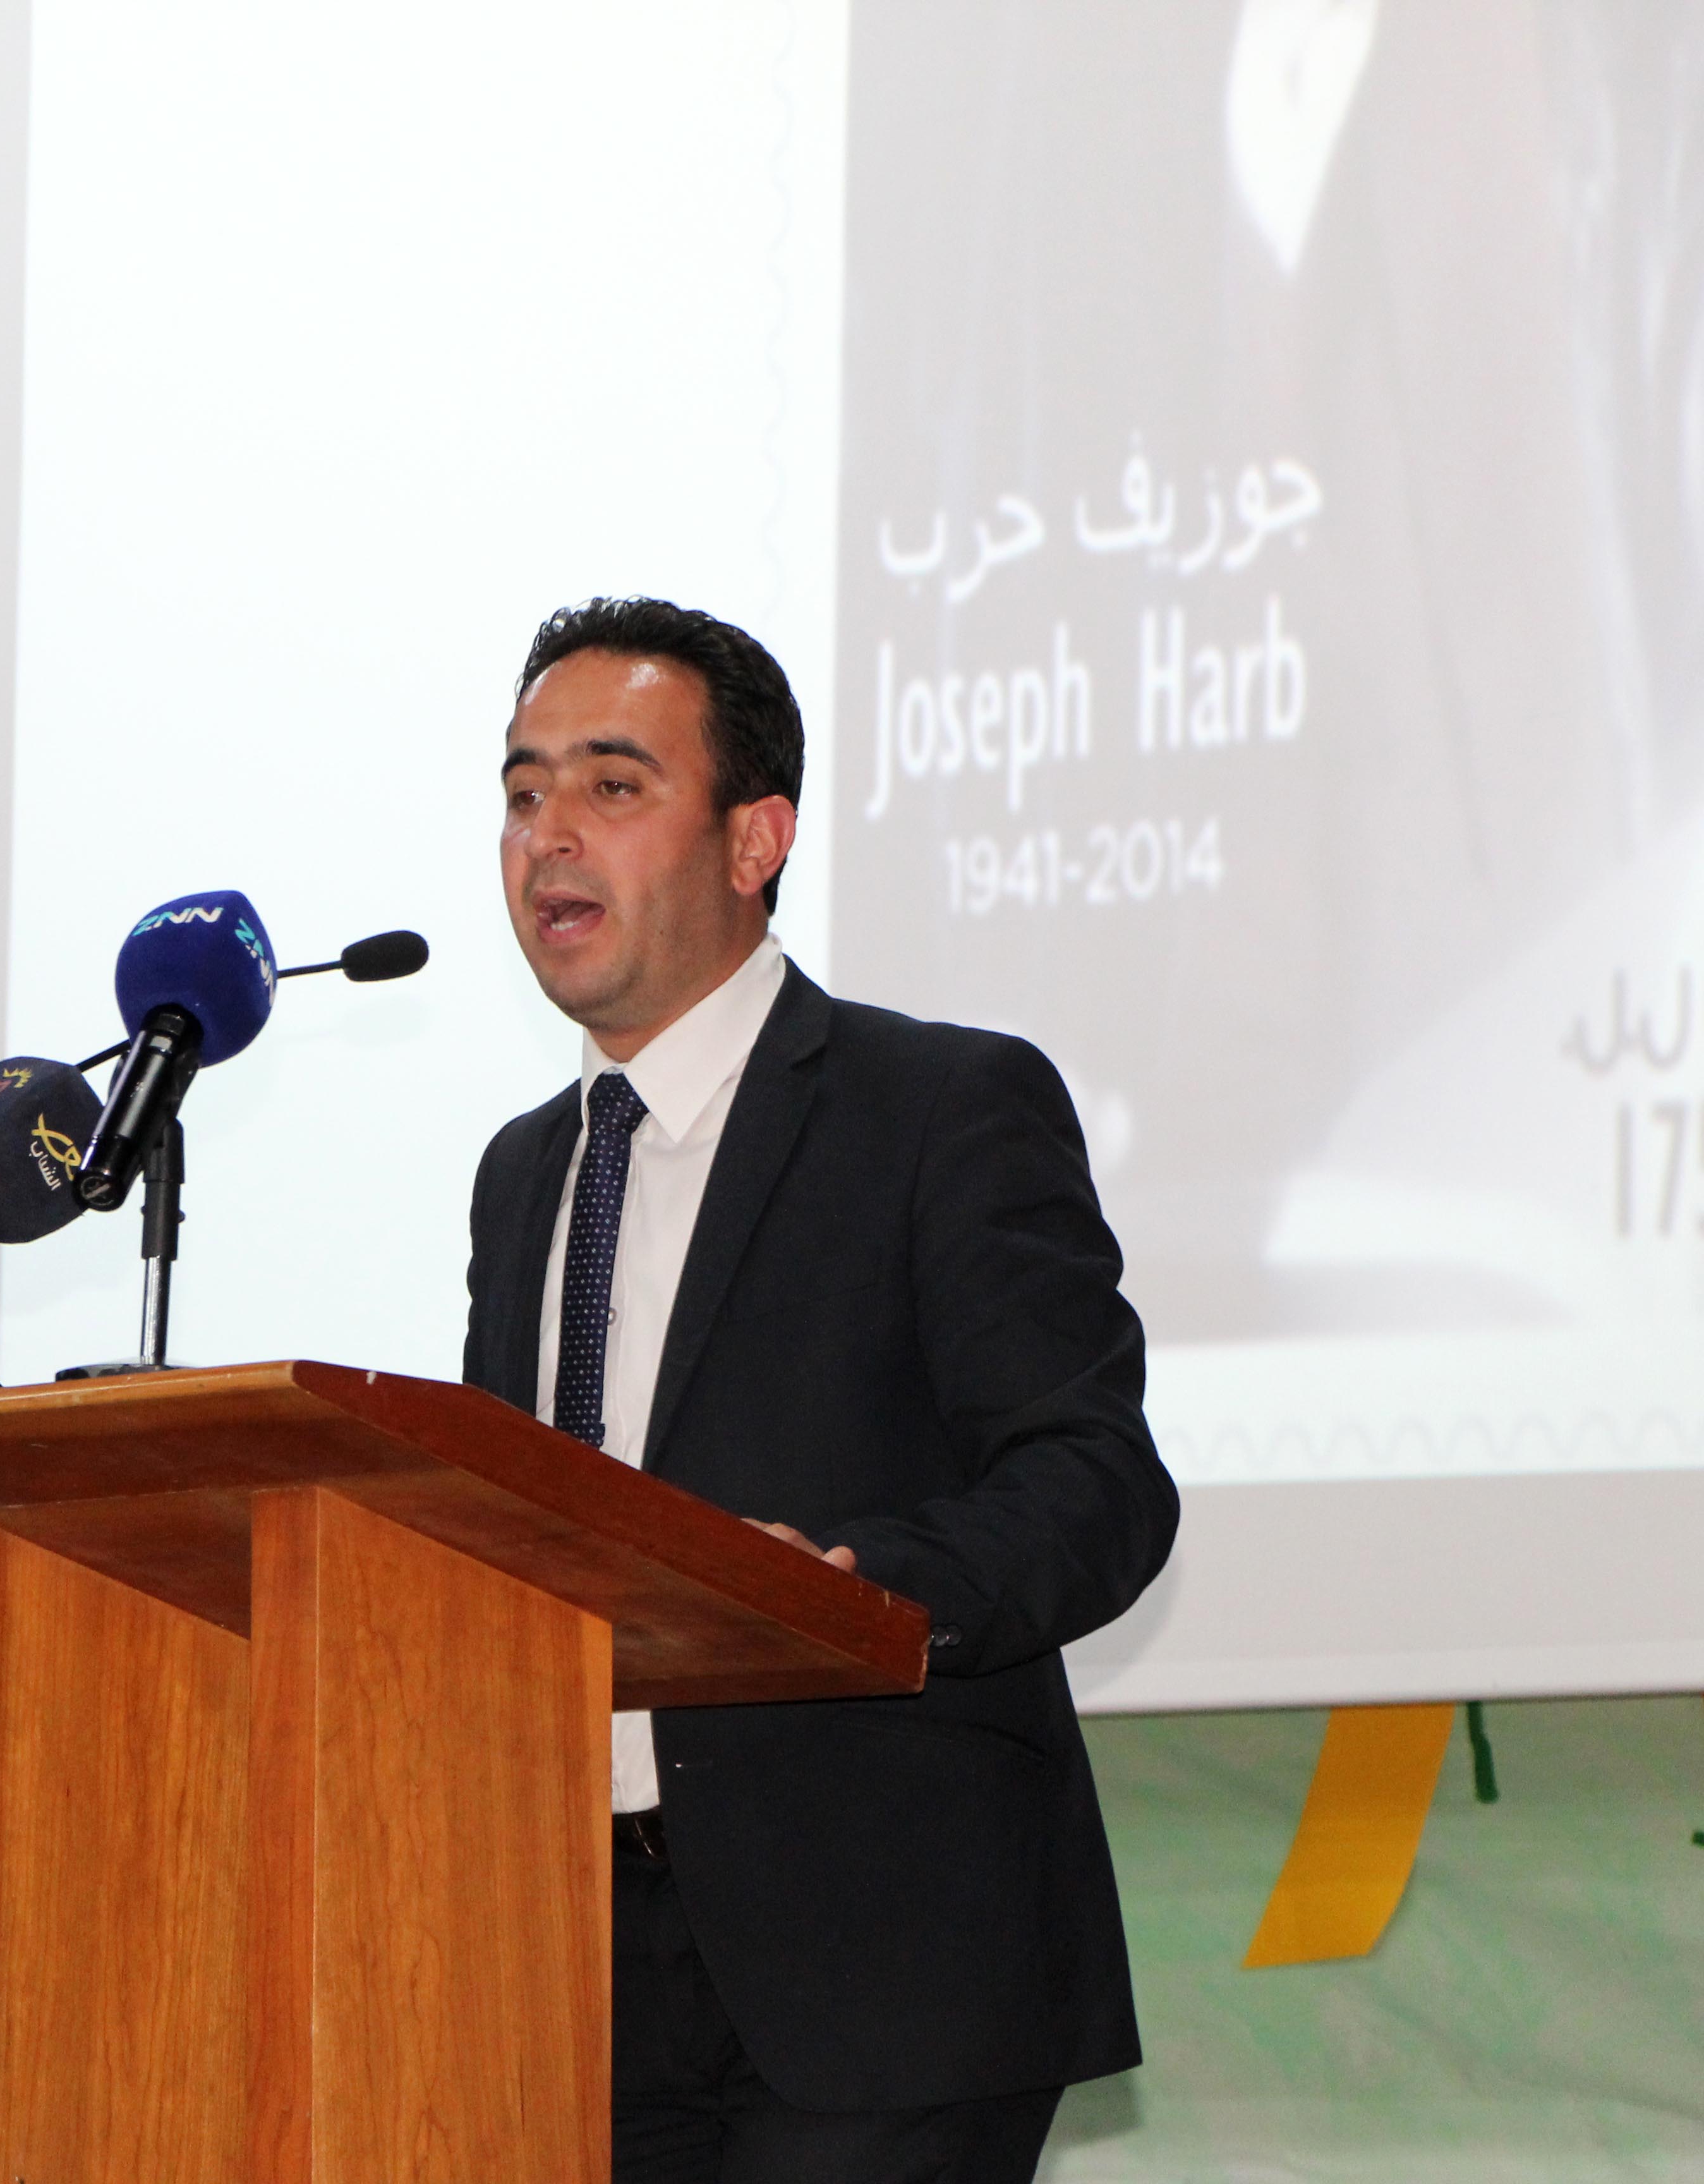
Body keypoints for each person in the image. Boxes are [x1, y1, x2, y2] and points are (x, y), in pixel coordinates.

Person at [468, 597, 1179, 2180]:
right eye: (521, 793)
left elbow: (1095, 1484)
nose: (547, 836)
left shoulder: (937, 1106)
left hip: (881, 1945)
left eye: (610, 785)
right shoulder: (523, 1176)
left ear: (754, 838)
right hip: (571, 1948)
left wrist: (843, 1589)